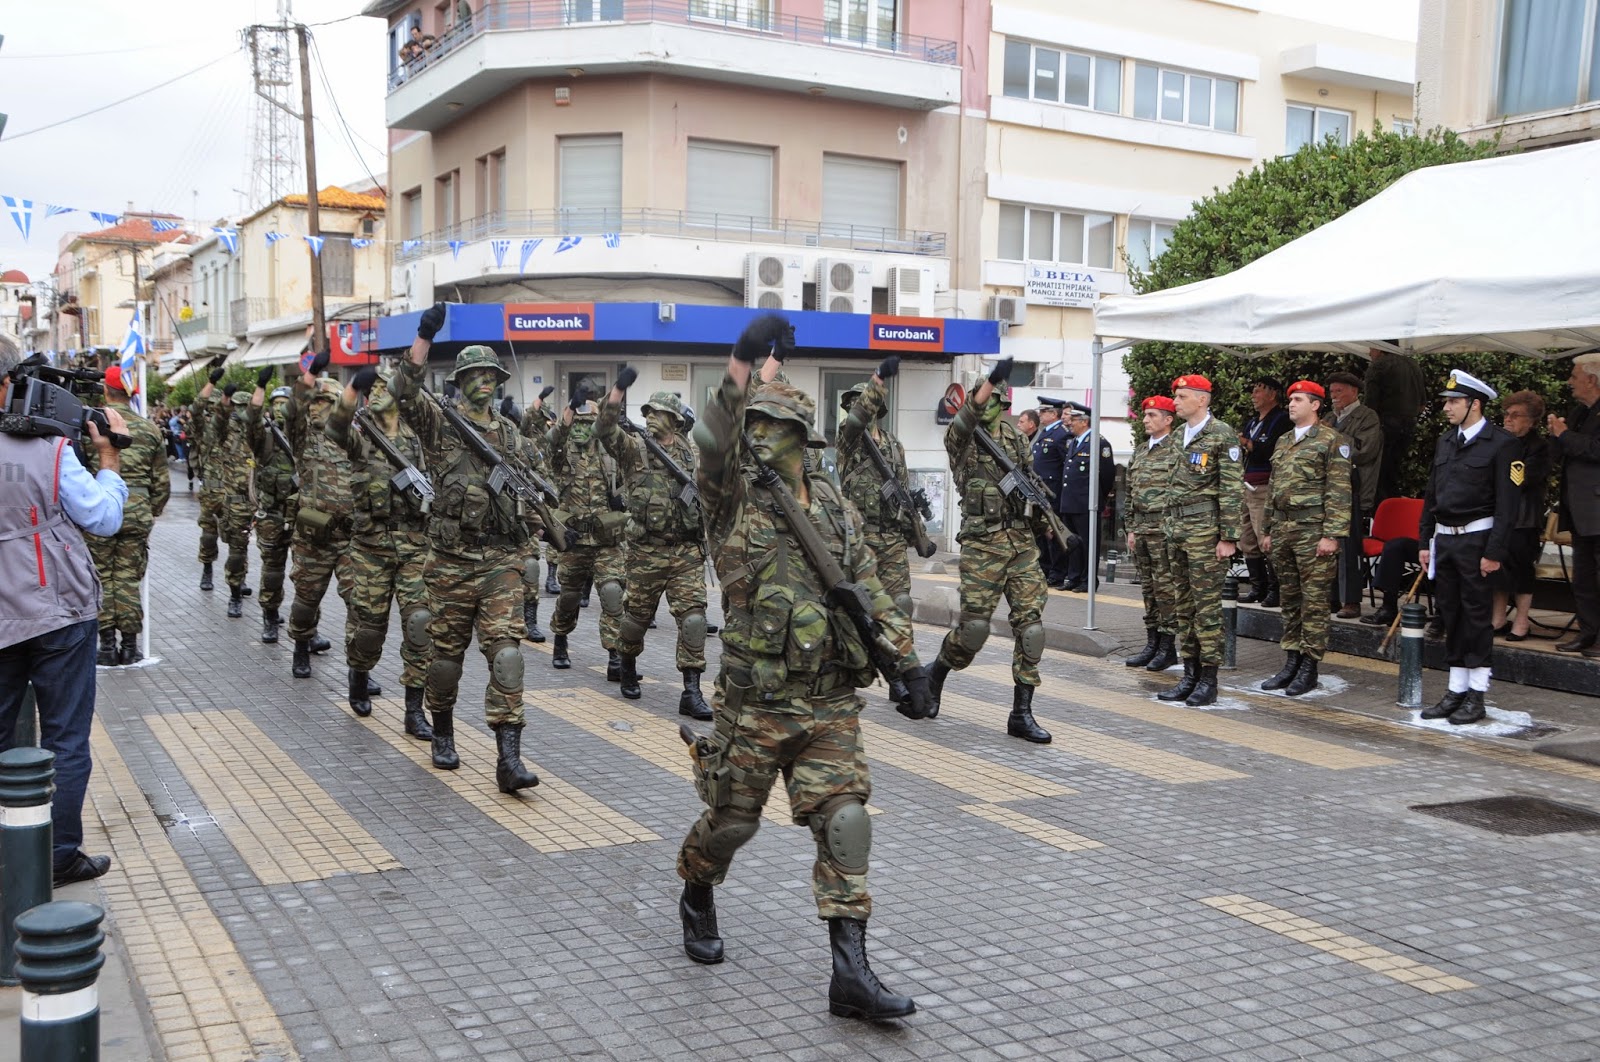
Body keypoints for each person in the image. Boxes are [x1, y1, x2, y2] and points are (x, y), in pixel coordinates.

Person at [674, 313, 930, 1021]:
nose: (757, 437)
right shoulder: (729, 499)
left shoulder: (837, 507)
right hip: (755, 702)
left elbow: (869, 583)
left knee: (845, 820)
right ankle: (697, 890)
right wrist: (741, 363)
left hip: (829, 702)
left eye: (771, 429)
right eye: (751, 426)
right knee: (731, 824)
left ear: (799, 437)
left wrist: (907, 664)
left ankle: (850, 973)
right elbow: (710, 443)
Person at [391, 311, 546, 793]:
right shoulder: (441, 426)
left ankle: (509, 759)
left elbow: (537, 490)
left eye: (490, 375)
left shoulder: (514, 436)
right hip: (452, 561)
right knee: (445, 657)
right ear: (459, 382)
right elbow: (404, 394)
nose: (483, 382)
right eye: (474, 375)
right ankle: (442, 731)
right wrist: (423, 338)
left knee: (507, 655)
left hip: (501, 562)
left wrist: (538, 540)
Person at [0, 336, 128, 886]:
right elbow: (103, 518)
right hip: (59, 613)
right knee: (65, 739)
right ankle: (58, 854)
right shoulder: (48, 451)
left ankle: (11, 844)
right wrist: (108, 457)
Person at [926, 357, 1053, 742]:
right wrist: (989, 381)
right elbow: (967, 415)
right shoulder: (961, 438)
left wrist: (1048, 524)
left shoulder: (1017, 437)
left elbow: (1030, 483)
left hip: (1021, 543)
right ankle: (936, 673)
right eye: (986, 398)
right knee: (975, 629)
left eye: (997, 397)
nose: (990, 404)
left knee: (1031, 628)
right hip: (983, 545)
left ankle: (1021, 712)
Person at [327, 366, 435, 741]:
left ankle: (413, 710)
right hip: (370, 549)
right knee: (369, 628)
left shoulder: (418, 438)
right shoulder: (361, 437)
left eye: (378, 387)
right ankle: (359, 675)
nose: (373, 393)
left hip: (413, 549)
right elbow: (335, 429)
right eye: (367, 389)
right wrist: (351, 391)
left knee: (421, 624)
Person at [597, 377, 713, 720]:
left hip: (686, 552)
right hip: (646, 552)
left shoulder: (694, 456)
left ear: (676, 421)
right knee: (636, 620)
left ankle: (691, 691)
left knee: (693, 618)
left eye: (658, 413)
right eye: (647, 411)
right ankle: (628, 665)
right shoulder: (634, 449)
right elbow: (605, 431)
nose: (650, 417)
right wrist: (617, 392)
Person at [1418, 370, 1518, 725]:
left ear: (1475, 404)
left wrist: (1494, 552)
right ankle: (1455, 689)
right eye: (1446, 401)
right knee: (1451, 613)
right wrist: (1425, 539)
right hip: (1445, 539)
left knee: (1476, 616)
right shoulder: (1446, 441)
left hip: (1477, 539)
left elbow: (1509, 506)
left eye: (1453, 402)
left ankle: (1477, 693)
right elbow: (1432, 494)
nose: (1447, 408)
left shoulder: (1502, 444)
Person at [836, 357, 931, 704]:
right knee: (859, 609)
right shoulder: (849, 439)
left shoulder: (894, 445)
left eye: (860, 402)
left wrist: (915, 531)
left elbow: (903, 491)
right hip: (858, 538)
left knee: (900, 604)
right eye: (852, 404)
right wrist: (877, 381)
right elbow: (858, 418)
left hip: (890, 536)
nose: (855, 409)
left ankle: (899, 672)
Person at [1258, 381, 1351, 696]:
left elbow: (1339, 491)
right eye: (1290, 400)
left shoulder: (1331, 441)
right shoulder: (1284, 441)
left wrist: (1332, 535)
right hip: (1284, 530)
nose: (1291, 404)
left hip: (1313, 533)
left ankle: (1309, 666)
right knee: (1290, 600)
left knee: (1314, 602)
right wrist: (1268, 528)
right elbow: (1274, 487)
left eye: (1298, 399)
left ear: (1315, 405)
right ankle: (1291, 661)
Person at [1158, 374, 1243, 707]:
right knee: (1185, 606)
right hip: (1177, 530)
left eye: (1181, 396)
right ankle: (1189, 674)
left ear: (1202, 399)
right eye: (1176, 396)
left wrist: (1229, 537)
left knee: (1206, 609)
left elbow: (1231, 488)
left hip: (1206, 532)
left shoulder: (1221, 434)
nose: (1175, 402)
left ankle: (1209, 679)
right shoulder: (1179, 434)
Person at [85, 366, 169, 666]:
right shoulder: (149, 428)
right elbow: (161, 481)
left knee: (102, 577)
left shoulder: (92, 426)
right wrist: (149, 510)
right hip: (136, 510)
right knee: (128, 578)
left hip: (100, 508)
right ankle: (131, 647)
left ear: (106, 391)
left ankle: (107, 647)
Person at [547, 385, 630, 675]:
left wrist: (624, 499)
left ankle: (615, 656)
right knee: (569, 597)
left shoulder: (611, 454)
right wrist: (569, 410)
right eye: (578, 424)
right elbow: (552, 442)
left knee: (611, 593)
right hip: (574, 540)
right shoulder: (563, 453)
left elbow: (633, 478)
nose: (583, 429)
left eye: (588, 423)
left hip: (607, 540)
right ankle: (560, 640)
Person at [286, 352, 357, 681]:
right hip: (314, 536)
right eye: (318, 402)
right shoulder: (305, 438)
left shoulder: (356, 438)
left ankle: (359, 667)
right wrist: (308, 379)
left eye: (328, 402)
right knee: (306, 598)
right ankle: (301, 646)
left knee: (361, 603)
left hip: (350, 537)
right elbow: (294, 412)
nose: (320, 408)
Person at [1121, 396, 1180, 672]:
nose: (1145, 420)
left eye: (1152, 415)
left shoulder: (1176, 450)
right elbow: (1130, 493)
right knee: (1148, 588)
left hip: (1163, 530)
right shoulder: (1142, 450)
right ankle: (1152, 642)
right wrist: (1130, 528)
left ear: (1168, 420)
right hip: (1142, 530)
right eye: (1145, 415)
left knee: (1165, 588)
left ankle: (1168, 646)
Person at [1548, 352, 1600, 656]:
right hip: (1580, 510)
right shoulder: (1580, 412)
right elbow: (1563, 452)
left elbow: (1595, 449)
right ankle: (1588, 633)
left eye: (1575, 375)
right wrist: (1557, 434)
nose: (1570, 381)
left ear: (1592, 380)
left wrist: (1565, 435)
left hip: (1596, 508)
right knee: (1583, 578)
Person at [1491, 391, 1552, 642]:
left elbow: (1523, 479)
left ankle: (1522, 620)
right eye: (1506, 414)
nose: (1508, 419)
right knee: (1497, 565)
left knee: (1521, 568)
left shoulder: (1539, 447)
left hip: (1524, 517)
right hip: (1499, 515)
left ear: (1531, 420)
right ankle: (1497, 618)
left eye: (1516, 415)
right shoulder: (1500, 441)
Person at [1324, 371, 1382, 620]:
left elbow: (1362, 451)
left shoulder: (1367, 417)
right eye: (1331, 391)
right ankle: (1332, 597)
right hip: (1328, 488)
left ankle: (1352, 600)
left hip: (1353, 488)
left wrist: (1330, 434)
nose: (1333, 396)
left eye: (1338, 391)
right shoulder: (1328, 417)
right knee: (1328, 543)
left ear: (1354, 392)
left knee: (1348, 547)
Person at [245, 377, 300, 644]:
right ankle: (270, 617)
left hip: (302, 516)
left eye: (284, 403)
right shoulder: (264, 438)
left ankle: (305, 630)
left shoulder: (304, 436)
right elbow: (251, 423)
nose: (280, 409)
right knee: (273, 570)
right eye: (276, 404)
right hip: (273, 514)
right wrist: (259, 389)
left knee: (307, 576)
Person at [1237, 377, 1291, 607]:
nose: (1254, 395)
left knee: (1265, 537)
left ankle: (1274, 589)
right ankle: (1257, 587)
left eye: (1258, 390)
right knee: (1247, 538)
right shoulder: (1252, 422)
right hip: (1247, 485)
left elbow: (1269, 450)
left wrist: (1247, 444)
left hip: (1265, 485)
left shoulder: (1281, 419)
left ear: (1272, 394)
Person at [207, 382, 258, 619]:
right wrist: (224, 400)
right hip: (237, 502)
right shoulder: (226, 433)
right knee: (237, 552)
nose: (239, 411)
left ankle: (271, 609)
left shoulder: (262, 433)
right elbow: (217, 422)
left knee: (273, 560)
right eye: (235, 406)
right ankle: (235, 594)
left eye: (243, 406)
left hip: (264, 503)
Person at [514, 387, 557, 643]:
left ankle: (530, 622)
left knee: (531, 569)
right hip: (496, 524)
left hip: (526, 516)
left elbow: (543, 478)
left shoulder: (530, 447)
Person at [1058, 403, 1115, 592]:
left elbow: (1107, 476)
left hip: (1086, 503)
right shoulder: (1074, 442)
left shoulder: (1099, 443)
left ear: (1084, 421)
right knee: (1073, 543)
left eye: (1073, 419)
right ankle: (1073, 577)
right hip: (1070, 503)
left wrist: (1098, 499)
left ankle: (1088, 580)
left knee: (1088, 544)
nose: (1070, 423)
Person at [1363, 344, 1427, 504]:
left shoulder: (1378, 365)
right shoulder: (1413, 363)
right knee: (1394, 471)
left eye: (1372, 348)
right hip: (1409, 423)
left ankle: (1381, 512)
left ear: (1380, 347)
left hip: (1386, 424)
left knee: (1379, 474)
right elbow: (1422, 403)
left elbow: (1370, 404)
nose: (1370, 352)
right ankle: (1392, 506)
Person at [192, 368, 227, 590]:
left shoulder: (236, 429)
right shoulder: (202, 430)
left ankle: (238, 578)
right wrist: (211, 383)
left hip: (235, 492)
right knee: (208, 535)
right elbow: (196, 410)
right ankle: (207, 569)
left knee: (238, 539)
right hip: (211, 491)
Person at [1030, 398, 1069, 587]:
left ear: (1054, 414)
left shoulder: (1061, 434)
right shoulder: (1045, 433)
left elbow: (1065, 467)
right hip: (1040, 491)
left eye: (1044, 411)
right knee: (1042, 534)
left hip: (1052, 492)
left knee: (1054, 534)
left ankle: (1057, 572)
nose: (1040, 414)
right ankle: (1045, 568)